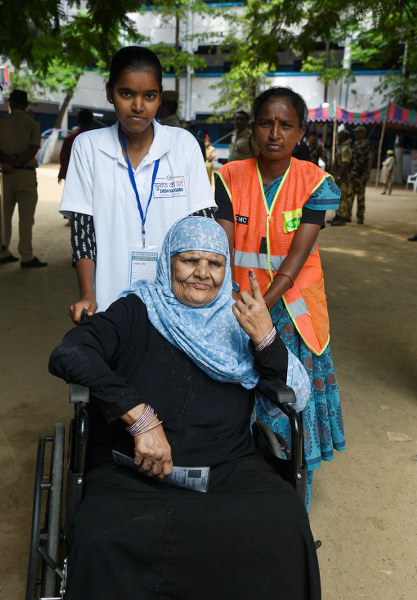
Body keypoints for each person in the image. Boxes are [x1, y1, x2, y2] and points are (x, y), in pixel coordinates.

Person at [49, 216, 319, 600]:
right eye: (190, 260)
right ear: (168, 262)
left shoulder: (240, 317)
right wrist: (139, 417)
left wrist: (266, 338)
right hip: (134, 471)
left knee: (284, 524)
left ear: (226, 269)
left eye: (214, 263)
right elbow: (70, 352)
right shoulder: (136, 310)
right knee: (101, 533)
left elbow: (297, 393)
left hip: (228, 467)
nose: (202, 274)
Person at [215, 86, 345, 509]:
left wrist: (261, 309)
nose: (275, 133)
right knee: (241, 397)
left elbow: (294, 261)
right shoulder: (229, 177)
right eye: (266, 123)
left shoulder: (315, 183)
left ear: (300, 131)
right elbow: (223, 248)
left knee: (291, 398)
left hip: (291, 313)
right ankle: (244, 489)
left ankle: (292, 501)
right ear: (253, 127)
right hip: (240, 306)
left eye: (285, 124)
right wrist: (236, 305)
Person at [60, 46, 215, 323]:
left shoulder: (183, 145)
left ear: (160, 97)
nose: (138, 106)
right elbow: (83, 230)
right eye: (126, 93)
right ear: (110, 92)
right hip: (110, 303)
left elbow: (201, 228)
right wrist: (88, 293)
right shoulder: (89, 147)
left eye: (150, 95)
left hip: (177, 303)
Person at [0, 89, 46, 267]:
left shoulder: (2, 123)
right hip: (25, 174)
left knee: (4, 216)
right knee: (26, 218)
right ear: (26, 105)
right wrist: (17, 162)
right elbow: (33, 149)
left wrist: (7, 162)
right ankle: (26, 256)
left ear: (10, 103)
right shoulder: (32, 124)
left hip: (6, 175)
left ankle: (3, 252)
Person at [58, 109, 94, 183]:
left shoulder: (70, 139)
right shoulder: (96, 140)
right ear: (91, 122)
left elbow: (64, 157)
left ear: (78, 121)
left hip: (72, 176)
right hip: (91, 177)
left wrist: (62, 173)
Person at [349, 124, 374, 224]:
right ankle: (348, 215)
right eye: (355, 132)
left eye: (358, 132)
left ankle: (360, 216)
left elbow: (370, 158)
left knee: (360, 196)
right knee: (350, 195)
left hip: (361, 173)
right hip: (352, 173)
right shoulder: (354, 144)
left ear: (363, 133)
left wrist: (368, 172)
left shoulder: (367, 144)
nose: (356, 134)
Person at [328, 129, 353, 226]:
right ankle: (337, 216)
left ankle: (342, 218)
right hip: (339, 175)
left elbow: (344, 163)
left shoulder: (345, 148)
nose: (338, 138)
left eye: (339, 136)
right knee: (338, 196)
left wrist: (339, 176)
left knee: (342, 197)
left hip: (343, 177)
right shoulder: (342, 147)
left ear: (343, 137)